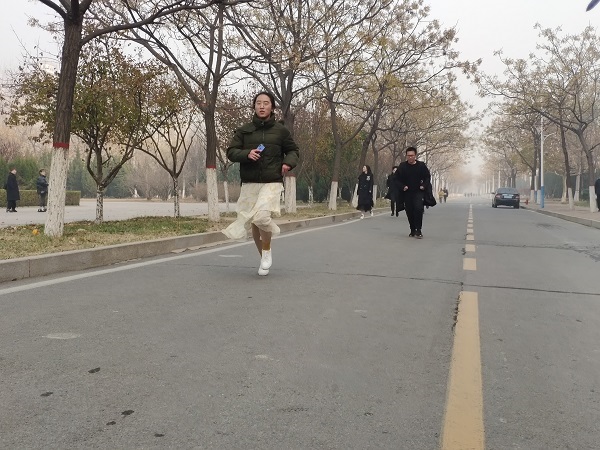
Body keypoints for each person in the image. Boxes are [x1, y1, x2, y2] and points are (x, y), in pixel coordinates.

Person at [223, 91, 300, 276]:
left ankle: (268, 245)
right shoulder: (244, 130)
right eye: (258, 103)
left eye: (266, 103)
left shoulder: (281, 131)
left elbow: (293, 150)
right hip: (250, 182)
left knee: (261, 218)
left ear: (272, 107)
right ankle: (265, 254)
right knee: (254, 222)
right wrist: (246, 154)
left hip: (272, 181)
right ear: (254, 106)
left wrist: (287, 163)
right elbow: (231, 151)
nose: (262, 106)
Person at [395, 147, 432, 239]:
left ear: (415, 155)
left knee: (418, 209)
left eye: (412, 155)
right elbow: (396, 179)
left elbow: (427, 177)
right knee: (409, 210)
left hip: (418, 191)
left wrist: (423, 185)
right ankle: (412, 229)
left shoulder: (421, 166)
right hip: (407, 192)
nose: (410, 157)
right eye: (408, 156)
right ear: (406, 156)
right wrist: (403, 186)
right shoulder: (402, 166)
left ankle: (418, 230)